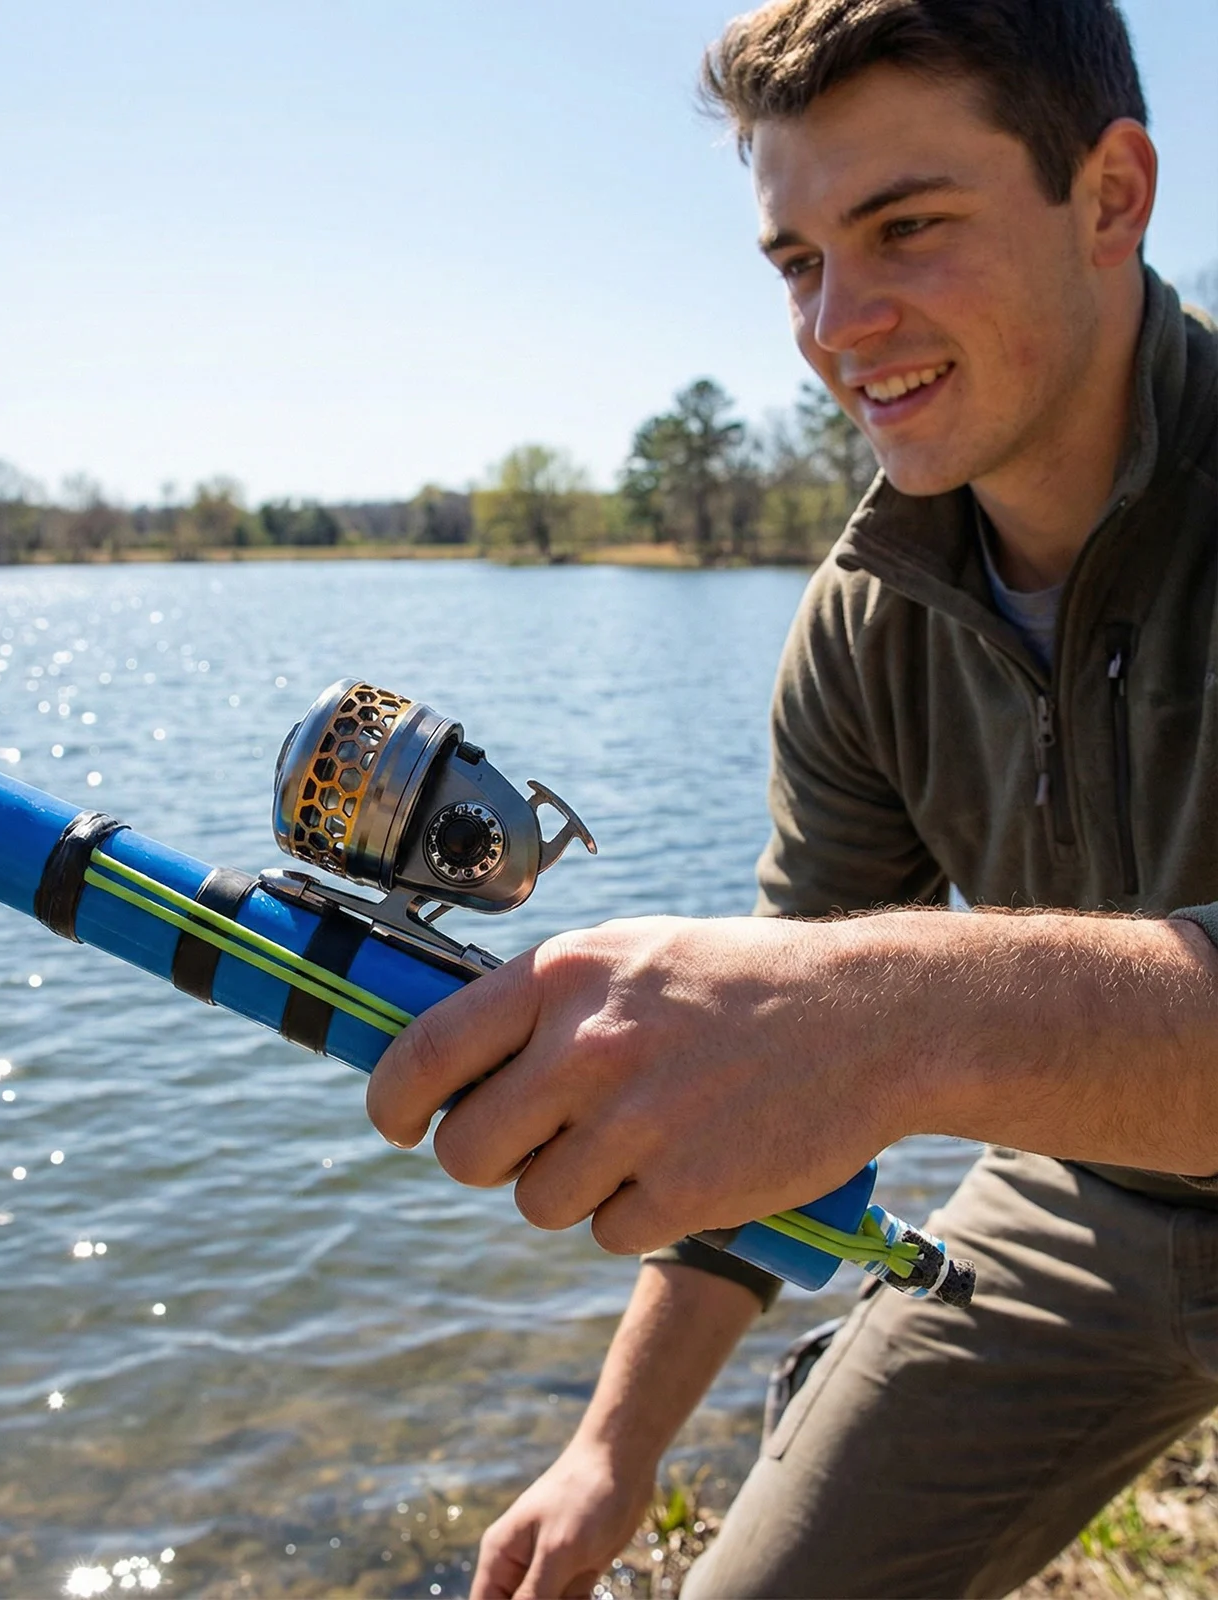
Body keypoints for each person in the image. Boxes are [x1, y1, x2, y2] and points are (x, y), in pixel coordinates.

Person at [364, 2, 1218, 1595]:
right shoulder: (862, 619)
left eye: (907, 227)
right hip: (1081, 1200)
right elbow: (780, 1061)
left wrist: (890, 1020)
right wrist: (612, 1451)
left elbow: (850, 1016)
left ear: (1111, 195)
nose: (840, 325)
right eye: (797, 262)